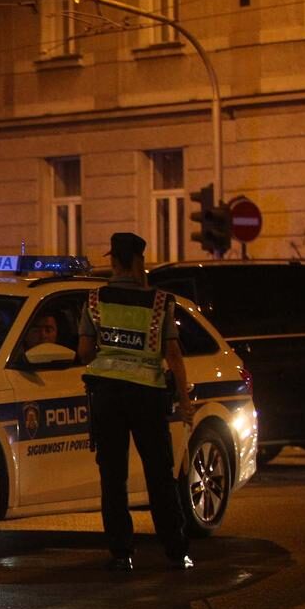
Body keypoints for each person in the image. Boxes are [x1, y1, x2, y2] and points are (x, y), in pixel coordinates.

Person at [78, 232, 195, 572]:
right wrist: (185, 403)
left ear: (114, 261)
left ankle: (120, 553)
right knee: (159, 475)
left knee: (113, 478)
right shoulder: (160, 302)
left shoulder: (95, 300)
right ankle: (176, 550)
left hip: (108, 397)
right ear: (139, 261)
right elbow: (174, 356)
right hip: (148, 397)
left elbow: (85, 351)